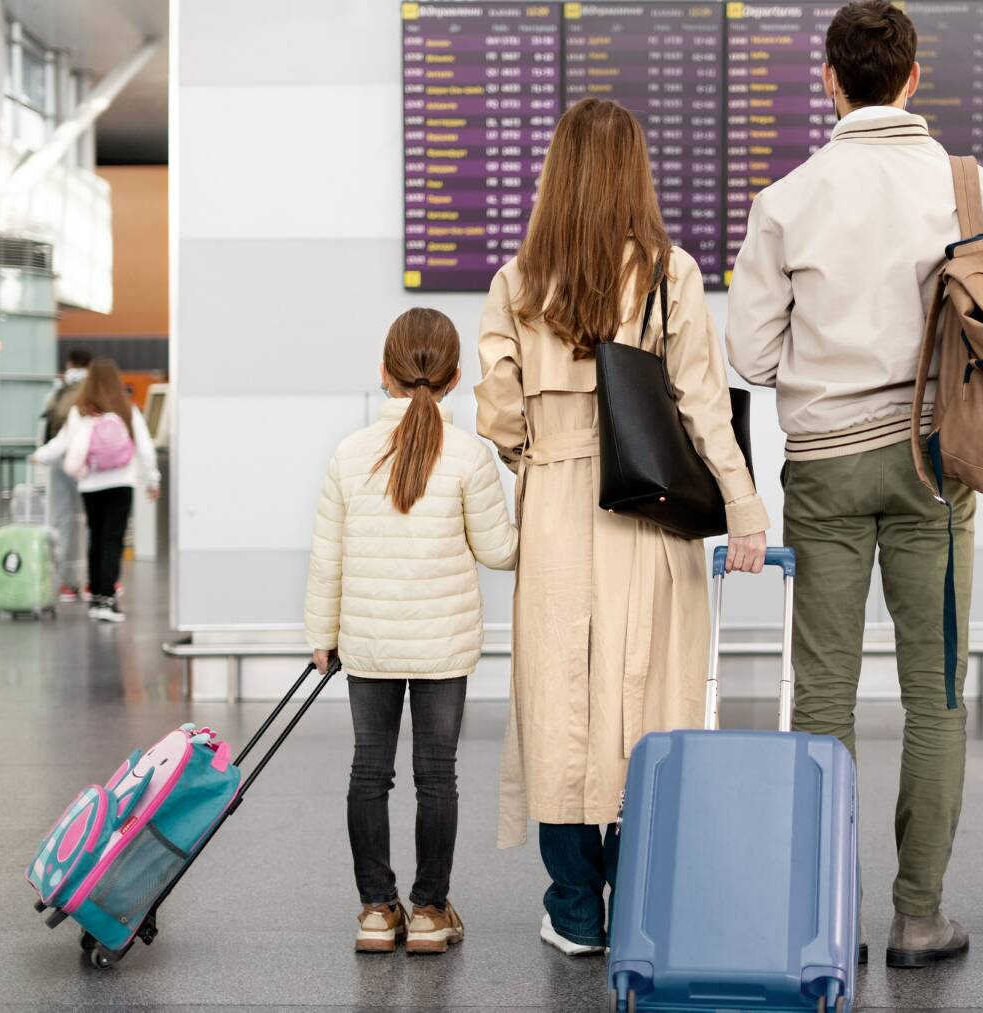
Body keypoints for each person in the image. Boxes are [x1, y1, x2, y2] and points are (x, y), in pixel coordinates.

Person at [726, 0, 983, 968]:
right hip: (935, 464)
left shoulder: (786, 198)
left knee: (821, 693)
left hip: (824, 466)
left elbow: (749, 351)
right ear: (915, 78)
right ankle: (919, 915)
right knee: (935, 692)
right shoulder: (975, 193)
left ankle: (822, 915)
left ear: (828, 79)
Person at [476, 98, 769, 958]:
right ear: (636, 170)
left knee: (560, 697)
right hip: (649, 510)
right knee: (650, 700)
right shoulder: (671, 272)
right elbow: (705, 408)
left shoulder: (519, 279)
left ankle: (575, 911)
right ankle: (640, 892)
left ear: (556, 173)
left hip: (561, 505)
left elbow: (497, 414)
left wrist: (540, 442)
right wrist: (743, 508)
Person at [303, 308, 517, 955]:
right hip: (441, 646)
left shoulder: (350, 453)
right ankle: (427, 911)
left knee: (370, 772)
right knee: (436, 776)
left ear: (384, 374)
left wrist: (322, 633)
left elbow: (327, 553)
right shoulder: (469, 455)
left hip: (367, 640)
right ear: (454, 377)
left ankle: (375, 910)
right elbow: (500, 550)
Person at [31, 358, 159, 623]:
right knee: (113, 539)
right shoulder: (127, 409)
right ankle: (106, 599)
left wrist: (39, 456)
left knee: (97, 537)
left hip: (90, 484)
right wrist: (152, 480)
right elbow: (145, 449)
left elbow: (61, 443)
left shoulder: (81, 412)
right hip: (122, 483)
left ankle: (95, 596)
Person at [41, 348, 92, 601]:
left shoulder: (61, 387)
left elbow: (47, 416)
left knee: (61, 520)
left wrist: (42, 454)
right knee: (92, 522)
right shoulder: (93, 388)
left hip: (60, 460)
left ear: (69, 363)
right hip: (86, 463)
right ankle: (93, 582)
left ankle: (63, 583)